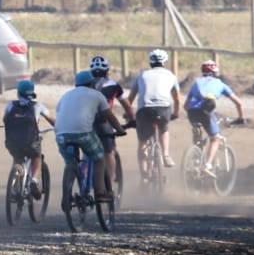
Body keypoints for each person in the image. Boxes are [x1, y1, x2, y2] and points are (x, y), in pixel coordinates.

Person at [56, 70, 125, 205]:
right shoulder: (97, 95)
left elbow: (61, 113)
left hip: (61, 134)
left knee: (70, 163)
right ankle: (100, 192)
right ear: (92, 83)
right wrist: (120, 129)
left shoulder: (66, 95)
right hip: (83, 132)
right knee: (99, 159)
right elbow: (109, 115)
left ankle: (67, 194)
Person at [184, 61, 245, 176]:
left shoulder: (196, 83)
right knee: (215, 138)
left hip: (192, 112)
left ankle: (195, 157)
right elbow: (239, 104)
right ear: (215, 72)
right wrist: (240, 118)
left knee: (198, 132)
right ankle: (207, 165)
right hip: (206, 112)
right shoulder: (220, 84)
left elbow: (185, 106)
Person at [125, 48, 180, 174]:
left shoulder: (142, 75)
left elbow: (130, 98)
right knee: (164, 130)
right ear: (164, 62)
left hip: (144, 110)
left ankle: (144, 175)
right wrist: (175, 113)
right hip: (164, 109)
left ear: (150, 62)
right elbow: (177, 99)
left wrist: (128, 115)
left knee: (143, 142)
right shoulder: (171, 75)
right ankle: (165, 155)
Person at [2, 80, 56, 198]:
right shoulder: (38, 106)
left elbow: (5, 119)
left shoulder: (11, 105)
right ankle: (34, 181)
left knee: (17, 158)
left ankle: (15, 185)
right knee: (36, 157)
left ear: (18, 93)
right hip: (30, 141)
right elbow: (52, 120)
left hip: (12, 142)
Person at [88, 56, 134, 192]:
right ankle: (111, 183)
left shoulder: (85, 84)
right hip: (104, 122)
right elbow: (127, 106)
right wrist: (131, 120)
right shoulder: (114, 85)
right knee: (109, 152)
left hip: (85, 122)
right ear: (107, 71)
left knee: (86, 148)